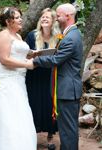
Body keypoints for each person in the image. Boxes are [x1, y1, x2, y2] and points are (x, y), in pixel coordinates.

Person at [0, 7, 37, 150]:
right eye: (17, 17)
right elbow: (4, 60)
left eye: (19, 16)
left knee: (20, 113)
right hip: (6, 80)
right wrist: (28, 65)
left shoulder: (18, 36)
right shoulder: (4, 35)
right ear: (8, 21)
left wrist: (33, 55)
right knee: (7, 114)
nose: (20, 19)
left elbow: (18, 53)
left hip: (18, 80)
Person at [27, 3, 83, 150]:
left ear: (68, 16)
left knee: (68, 130)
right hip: (67, 90)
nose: (56, 18)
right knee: (66, 129)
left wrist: (34, 60)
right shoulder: (70, 33)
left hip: (67, 91)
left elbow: (56, 59)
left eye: (58, 15)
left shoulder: (71, 37)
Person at [25, 8, 60, 148]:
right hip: (33, 75)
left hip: (50, 76)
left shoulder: (58, 37)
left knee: (49, 104)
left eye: (48, 18)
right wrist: (32, 54)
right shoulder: (32, 35)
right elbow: (25, 55)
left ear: (53, 22)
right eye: (43, 17)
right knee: (33, 104)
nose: (44, 19)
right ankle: (32, 135)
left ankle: (50, 136)